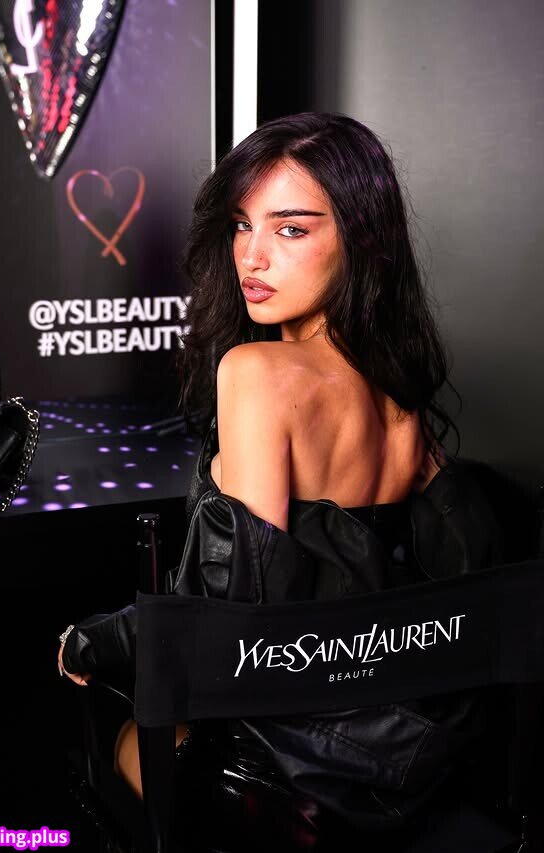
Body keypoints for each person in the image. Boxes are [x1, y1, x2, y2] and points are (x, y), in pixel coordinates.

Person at [58, 113, 503, 849]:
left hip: (283, 778)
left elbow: (235, 613)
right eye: (242, 225)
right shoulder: (401, 392)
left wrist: (98, 639)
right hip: (406, 764)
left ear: (361, 239)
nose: (252, 255)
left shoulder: (257, 373)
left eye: (291, 229)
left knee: (109, 735)